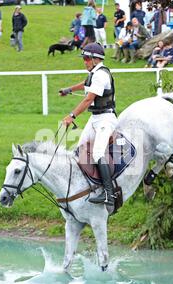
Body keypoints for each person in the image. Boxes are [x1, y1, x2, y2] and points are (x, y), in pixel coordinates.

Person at [59, 43, 117, 206]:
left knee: (98, 154)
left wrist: (72, 116)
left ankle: (109, 194)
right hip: (95, 118)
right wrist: (68, 89)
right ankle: (87, 185)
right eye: (84, 58)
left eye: (86, 58)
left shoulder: (101, 75)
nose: (84, 61)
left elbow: (88, 98)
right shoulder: (94, 74)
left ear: (95, 59)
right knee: (80, 150)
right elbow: (85, 84)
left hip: (106, 119)